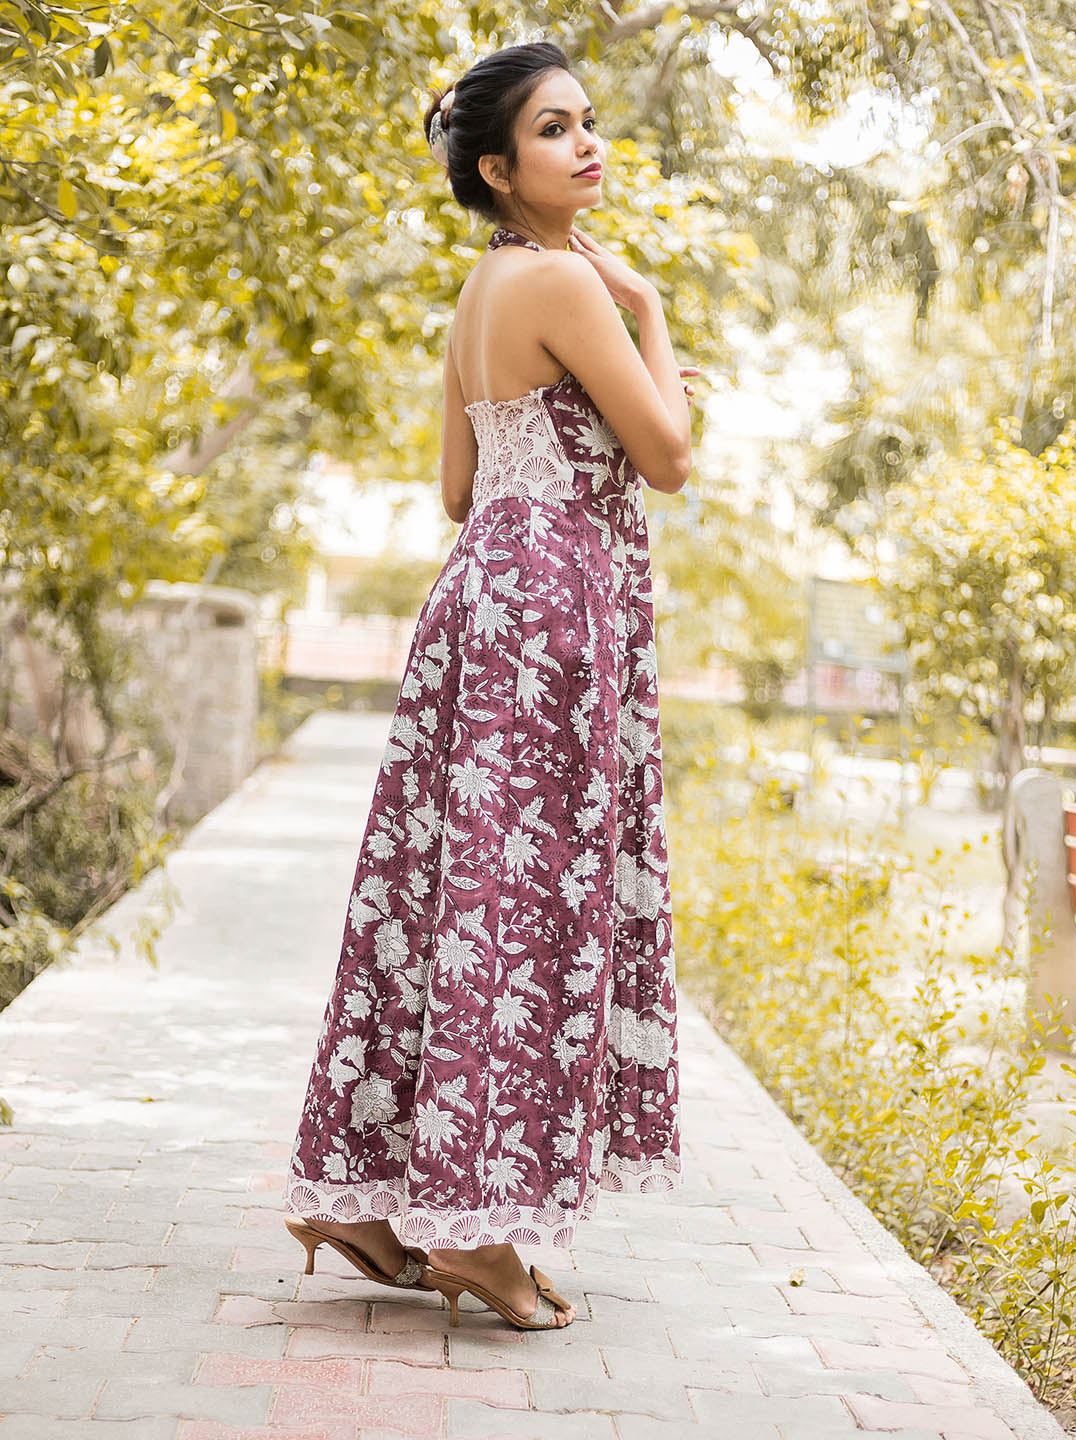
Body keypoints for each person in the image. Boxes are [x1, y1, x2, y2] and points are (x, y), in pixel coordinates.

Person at [281, 39, 694, 1333]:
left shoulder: (483, 286)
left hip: (481, 602)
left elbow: (457, 491)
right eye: (556, 129)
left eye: (590, 121)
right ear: (499, 166)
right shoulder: (565, 284)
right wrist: (654, 314)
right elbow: (669, 454)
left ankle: (363, 1194)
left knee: (441, 897)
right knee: (519, 918)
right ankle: (482, 1238)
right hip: (552, 615)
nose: (588, 143)